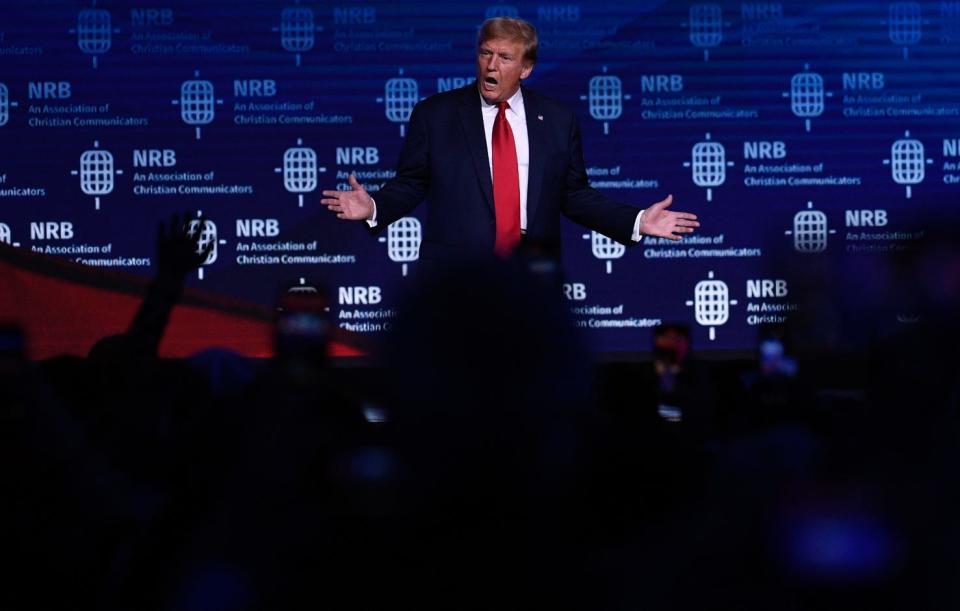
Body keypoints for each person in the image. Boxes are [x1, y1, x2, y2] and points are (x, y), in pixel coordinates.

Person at [321, 17, 700, 265]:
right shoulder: (435, 114)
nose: (491, 65)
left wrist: (635, 220)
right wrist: (374, 206)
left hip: (531, 276)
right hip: (457, 278)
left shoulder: (556, 120)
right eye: (485, 53)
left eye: (504, 57)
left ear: (527, 68)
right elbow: (412, 183)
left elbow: (574, 195)